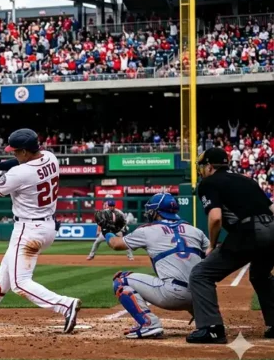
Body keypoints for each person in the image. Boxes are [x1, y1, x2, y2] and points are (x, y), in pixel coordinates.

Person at [0, 128, 81, 333]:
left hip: (28, 229)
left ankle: (65, 304)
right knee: (5, 272)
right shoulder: (50, 157)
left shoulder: (20, 173)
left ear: (25, 151)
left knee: (19, 283)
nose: (13, 154)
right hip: (47, 226)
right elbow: (18, 162)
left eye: (15, 151)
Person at [187, 147, 274, 343]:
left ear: (209, 166)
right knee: (260, 275)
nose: (201, 170)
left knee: (201, 274)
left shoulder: (208, 183)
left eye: (202, 166)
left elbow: (216, 218)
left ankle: (211, 329)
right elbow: (272, 208)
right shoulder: (247, 180)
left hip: (250, 232)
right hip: (272, 229)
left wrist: (212, 245)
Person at [104, 193, 209, 338]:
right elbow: (210, 257)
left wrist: (107, 231)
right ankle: (204, 319)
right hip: (201, 296)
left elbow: (116, 244)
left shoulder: (147, 230)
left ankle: (148, 324)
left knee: (121, 280)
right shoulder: (196, 231)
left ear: (157, 212)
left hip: (172, 295)